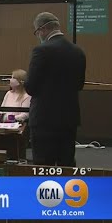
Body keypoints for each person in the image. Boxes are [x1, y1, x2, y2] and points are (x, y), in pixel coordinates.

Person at [24, 12, 86, 167]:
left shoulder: (41, 50)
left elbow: (30, 87)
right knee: (66, 163)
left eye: (37, 32)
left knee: (43, 164)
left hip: (44, 119)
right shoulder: (78, 51)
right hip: (69, 118)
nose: (38, 36)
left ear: (43, 29)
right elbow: (79, 85)